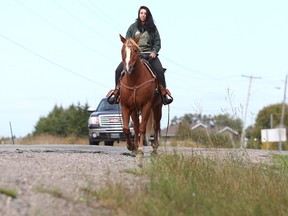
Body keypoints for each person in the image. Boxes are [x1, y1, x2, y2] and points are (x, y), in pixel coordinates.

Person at [107, 5, 173, 105]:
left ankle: (163, 93)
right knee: (118, 70)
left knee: (159, 71)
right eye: (141, 13)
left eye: (145, 13)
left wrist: (154, 51)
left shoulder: (153, 28)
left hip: (149, 54)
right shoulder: (132, 27)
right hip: (134, 55)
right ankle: (117, 91)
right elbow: (128, 42)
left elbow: (157, 42)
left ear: (148, 15)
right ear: (139, 14)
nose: (143, 15)